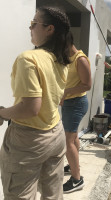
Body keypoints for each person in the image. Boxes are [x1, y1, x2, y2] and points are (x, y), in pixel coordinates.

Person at [0, 7, 71, 199]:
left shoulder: (28, 58)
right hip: (56, 132)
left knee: (19, 194)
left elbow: (31, 108)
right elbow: (58, 98)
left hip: (28, 140)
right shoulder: (61, 61)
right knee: (53, 193)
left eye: (34, 23)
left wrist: (2, 113)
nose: (30, 28)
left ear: (49, 29)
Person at [60, 33, 91, 193]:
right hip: (70, 102)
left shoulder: (81, 59)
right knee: (73, 137)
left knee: (68, 141)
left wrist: (66, 92)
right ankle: (73, 166)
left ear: (66, 42)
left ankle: (76, 180)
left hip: (77, 103)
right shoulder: (69, 58)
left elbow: (87, 85)